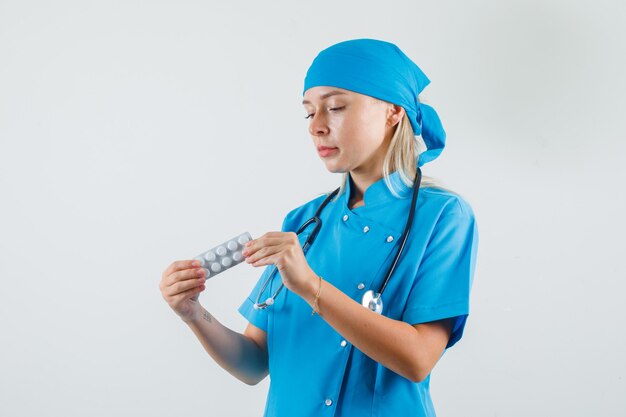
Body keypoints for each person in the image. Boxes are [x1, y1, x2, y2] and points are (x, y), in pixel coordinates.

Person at [159, 38, 479, 417]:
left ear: (393, 111)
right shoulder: (304, 223)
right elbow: (253, 364)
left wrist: (311, 287)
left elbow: (418, 359)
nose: (318, 127)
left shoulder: (442, 217)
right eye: (309, 114)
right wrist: (194, 313)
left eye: (336, 107)